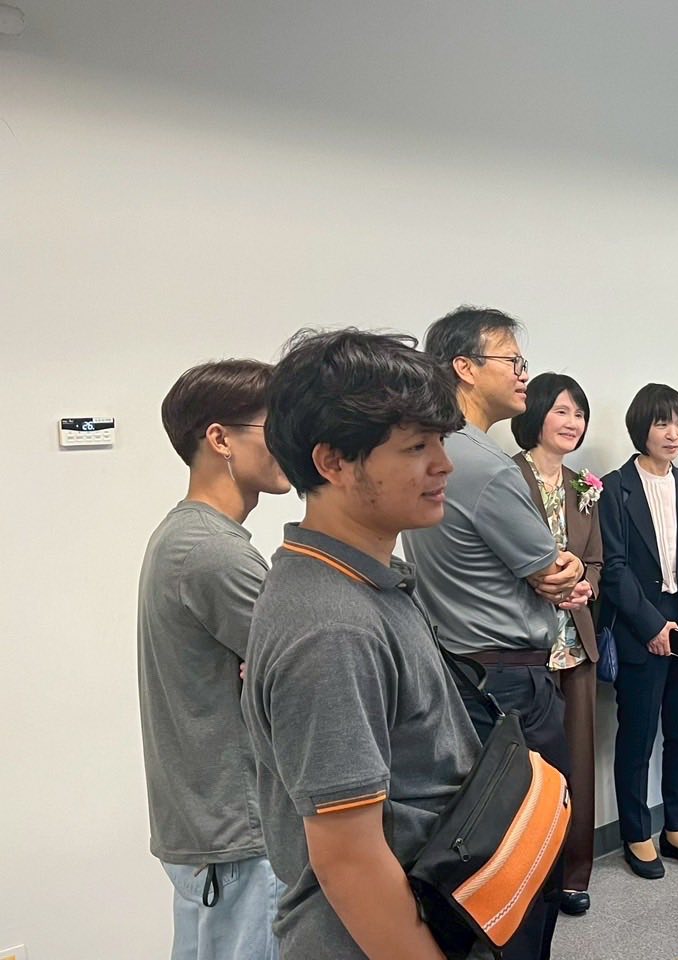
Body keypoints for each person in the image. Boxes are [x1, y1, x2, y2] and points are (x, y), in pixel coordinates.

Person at [243, 329, 478, 959]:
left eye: (441, 442)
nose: (443, 465)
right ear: (334, 462)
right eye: (416, 446)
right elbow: (349, 860)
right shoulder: (332, 627)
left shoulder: (361, 581)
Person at [400, 307, 584, 958]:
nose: (523, 375)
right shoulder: (485, 465)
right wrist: (563, 572)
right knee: (528, 855)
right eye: (513, 361)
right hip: (511, 682)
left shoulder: (429, 450)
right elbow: (551, 570)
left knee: (486, 854)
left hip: (458, 669)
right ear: (465, 368)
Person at [139, 360, 291, 960]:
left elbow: (271, 664)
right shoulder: (213, 552)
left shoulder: (187, 536)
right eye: (276, 427)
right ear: (220, 439)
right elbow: (308, 670)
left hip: (213, 824)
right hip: (238, 827)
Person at [601, 383, 678, 879]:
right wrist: (652, 625)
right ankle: (635, 833)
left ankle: (676, 826)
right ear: (641, 428)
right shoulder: (614, 488)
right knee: (638, 736)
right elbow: (613, 567)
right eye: (662, 423)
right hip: (641, 624)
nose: (674, 434)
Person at [509, 372, 602, 917]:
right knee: (530, 772)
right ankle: (527, 879)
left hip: (577, 644)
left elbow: (596, 558)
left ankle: (574, 874)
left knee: (578, 764)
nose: (573, 422)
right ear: (536, 414)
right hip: (526, 647)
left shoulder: (584, 485)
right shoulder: (507, 477)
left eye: (580, 413)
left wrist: (586, 583)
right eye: (562, 411)